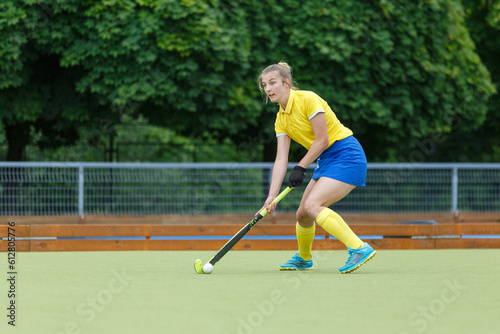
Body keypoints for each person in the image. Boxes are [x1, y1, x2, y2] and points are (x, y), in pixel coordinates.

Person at [257, 62, 376, 274]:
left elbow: (322, 140)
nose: (268, 89)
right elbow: (281, 159)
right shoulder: (280, 118)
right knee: (303, 214)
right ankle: (303, 258)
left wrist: (301, 167)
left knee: (313, 204)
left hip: (346, 155)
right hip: (326, 161)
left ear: (286, 83)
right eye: (265, 84)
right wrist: (271, 196)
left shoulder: (308, 99)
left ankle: (359, 247)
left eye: (272, 83)